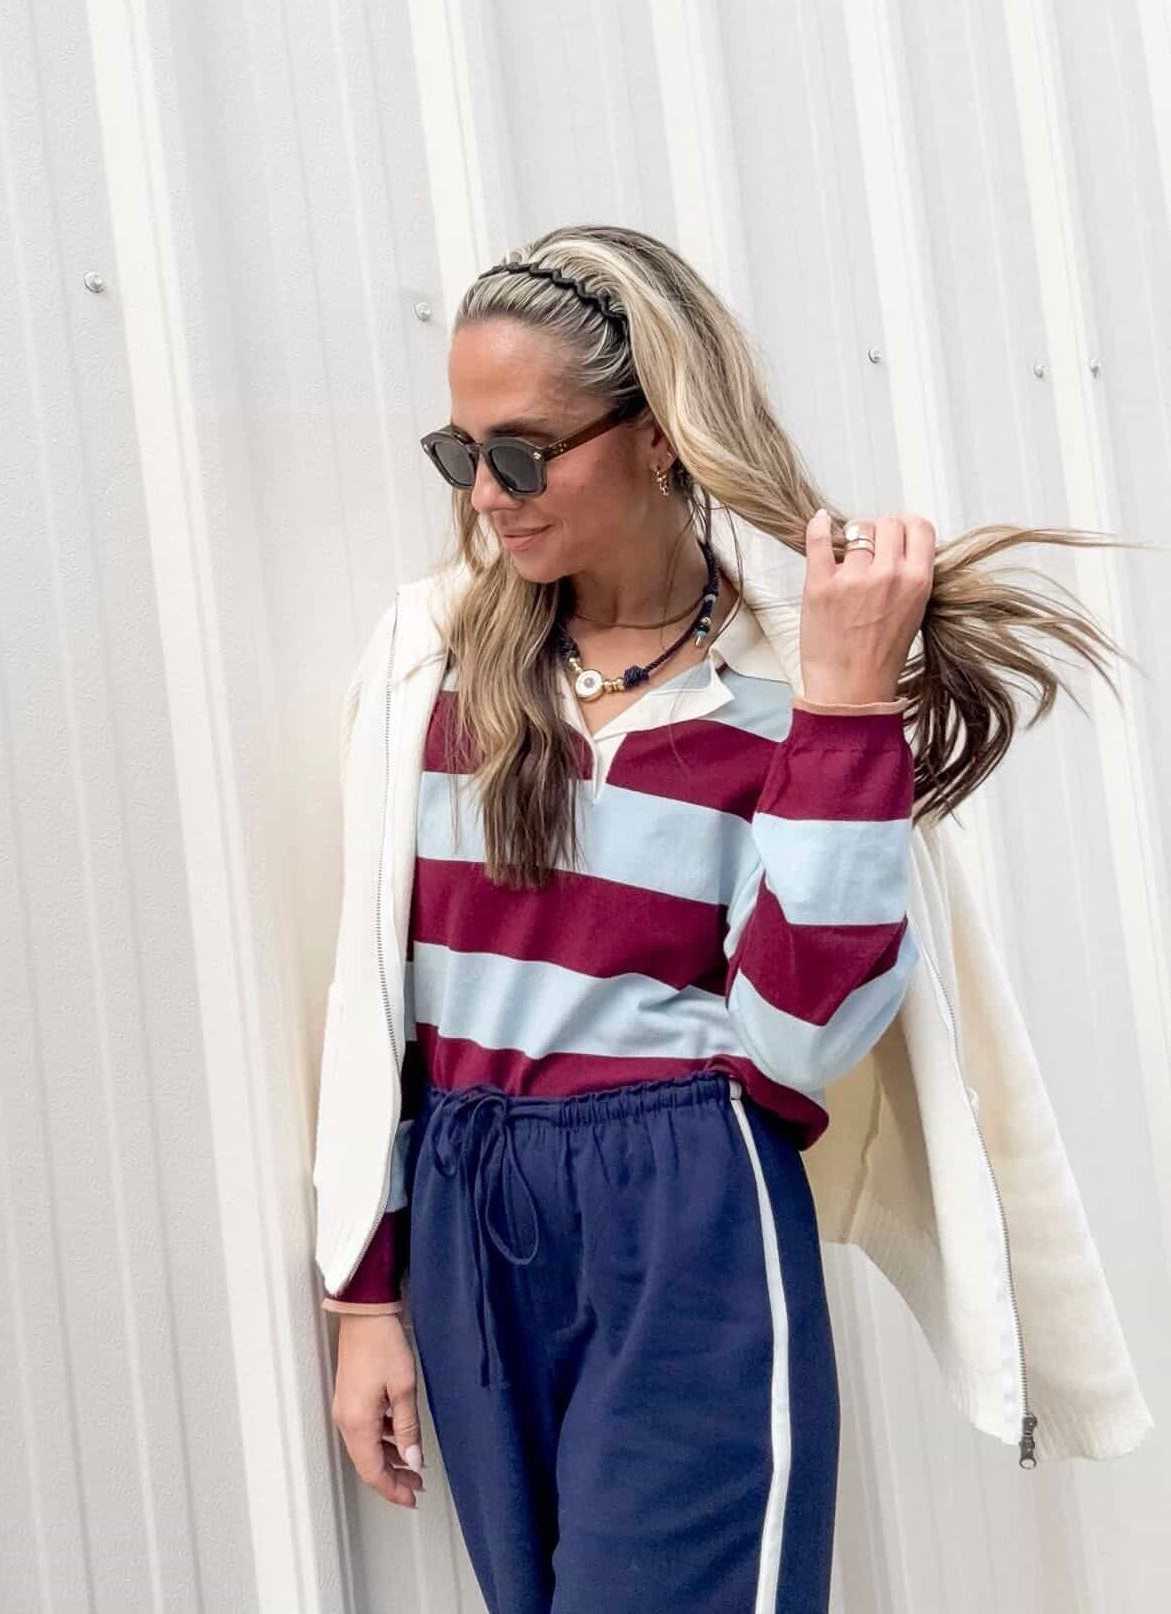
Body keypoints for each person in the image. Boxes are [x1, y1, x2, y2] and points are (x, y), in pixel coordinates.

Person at [315, 225, 1153, 1613]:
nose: (488, 496)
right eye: (461, 454)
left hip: (685, 1201)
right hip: (472, 1202)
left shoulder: (788, 692)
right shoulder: (430, 659)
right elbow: (372, 999)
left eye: (523, 453)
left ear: (657, 434)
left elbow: (799, 1037)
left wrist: (846, 710)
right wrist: (365, 1297)